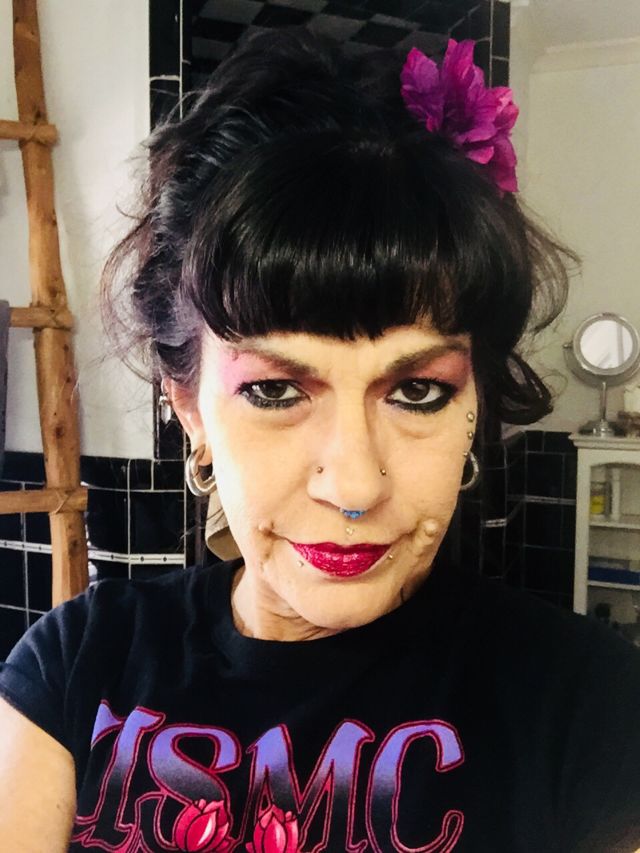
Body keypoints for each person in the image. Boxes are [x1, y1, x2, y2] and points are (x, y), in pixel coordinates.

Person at [1, 26, 639, 853]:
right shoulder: (76, 662)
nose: (355, 485)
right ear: (189, 408)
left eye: (417, 390)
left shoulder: (587, 705)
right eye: (275, 390)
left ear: (474, 403)